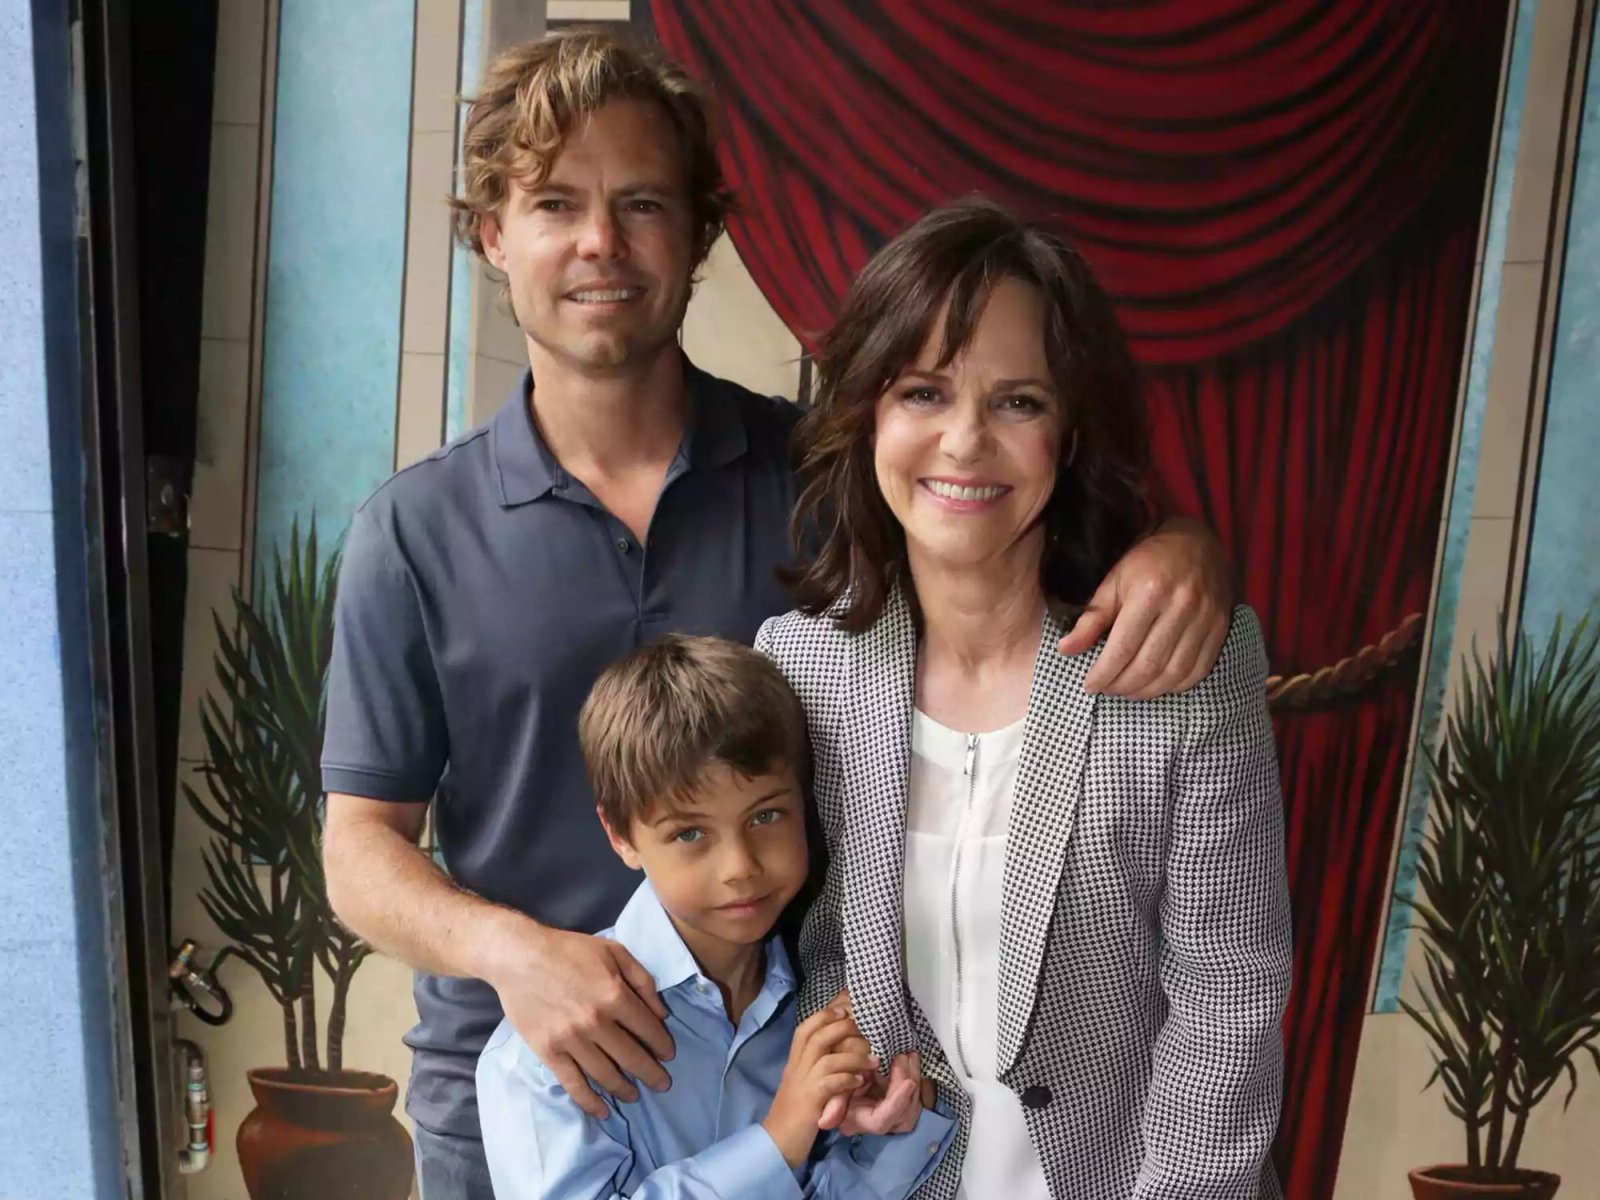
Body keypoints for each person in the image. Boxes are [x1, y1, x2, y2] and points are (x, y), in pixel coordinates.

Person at [319, 29, 1234, 1200]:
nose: (600, 243)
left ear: (701, 233)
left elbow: (1019, 537)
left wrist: (1181, 549)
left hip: (800, 1115)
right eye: (555, 203)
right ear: (494, 234)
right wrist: (518, 957)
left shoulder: (825, 480)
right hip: (528, 1114)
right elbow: (359, 848)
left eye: (642, 202)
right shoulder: (411, 533)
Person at [756, 198, 1293, 1199]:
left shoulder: (1185, 672)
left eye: (1017, 402)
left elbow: (1228, 1002)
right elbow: (814, 944)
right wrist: (851, 1064)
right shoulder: (803, 669)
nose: (964, 442)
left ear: (1070, 431)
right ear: (867, 411)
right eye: (922, 393)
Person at [476, 635, 955, 1199]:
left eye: (767, 815)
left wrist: (896, 1128)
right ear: (620, 835)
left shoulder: (822, 1010)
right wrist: (778, 1140)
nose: (740, 867)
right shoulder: (544, 1052)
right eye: (690, 833)